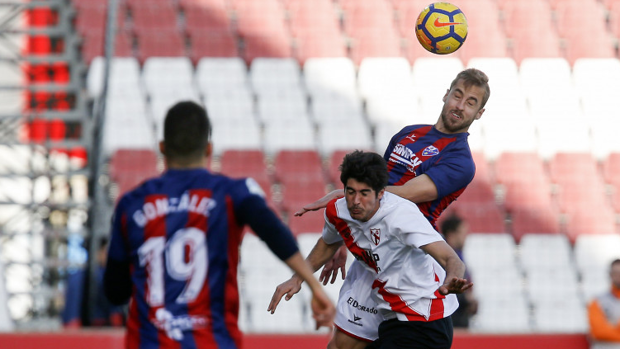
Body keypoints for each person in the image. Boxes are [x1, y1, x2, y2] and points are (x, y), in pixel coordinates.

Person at [103, 101, 335, 349]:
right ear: (209, 149)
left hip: (149, 342)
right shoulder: (231, 194)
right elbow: (274, 233)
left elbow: (115, 292)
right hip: (213, 341)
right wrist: (314, 287)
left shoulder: (132, 204)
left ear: (162, 148)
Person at [293, 68, 490, 348]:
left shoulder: (460, 161)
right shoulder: (408, 134)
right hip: (371, 250)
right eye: (457, 95)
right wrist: (345, 236)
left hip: (403, 257)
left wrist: (348, 197)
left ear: (479, 113)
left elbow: (403, 195)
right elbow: (375, 190)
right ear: (446, 94)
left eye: (471, 102)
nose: (460, 105)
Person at [269, 151, 472, 349]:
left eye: (364, 193)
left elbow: (450, 258)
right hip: (390, 315)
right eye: (350, 191)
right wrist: (297, 278)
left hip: (424, 319)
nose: (356, 201)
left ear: (381, 193)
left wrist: (453, 277)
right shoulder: (338, 211)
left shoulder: (401, 215)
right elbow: (328, 243)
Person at [440, 215, 477, 328]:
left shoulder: (459, 255)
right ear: (451, 235)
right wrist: (466, 300)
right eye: (462, 233)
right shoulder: (442, 260)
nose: (466, 237)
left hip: (459, 317)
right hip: (449, 319)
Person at [587, 259, 620, 349]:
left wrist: (612, 327)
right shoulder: (597, 301)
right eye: (615, 273)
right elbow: (598, 332)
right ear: (610, 275)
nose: (618, 276)